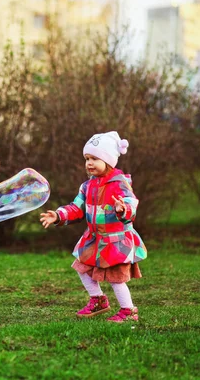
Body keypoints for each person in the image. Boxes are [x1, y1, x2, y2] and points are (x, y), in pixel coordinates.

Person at [40, 131, 147, 322]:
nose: (89, 163)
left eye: (95, 158)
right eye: (87, 158)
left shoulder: (120, 183)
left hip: (116, 239)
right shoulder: (87, 186)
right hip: (94, 238)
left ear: (109, 160)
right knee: (81, 267)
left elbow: (132, 203)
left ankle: (128, 311)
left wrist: (123, 209)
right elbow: (76, 208)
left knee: (116, 278)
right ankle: (98, 300)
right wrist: (58, 215)